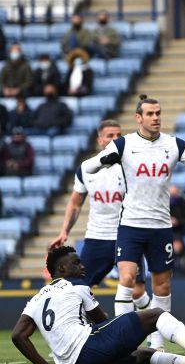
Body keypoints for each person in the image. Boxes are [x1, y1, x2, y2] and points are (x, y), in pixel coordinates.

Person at [84, 95, 185, 351]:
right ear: (138, 118)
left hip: (161, 227)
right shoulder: (123, 144)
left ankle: (157, 343)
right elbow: (88, 167)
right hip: (130, 224)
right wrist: (102, 160)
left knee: (162, 286)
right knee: (127, 278)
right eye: (150, 114)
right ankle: (122, 343)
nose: (156, 118)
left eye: (158, 113)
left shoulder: (174, 145)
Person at [11, 246, 185, 364]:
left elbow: (18, 335)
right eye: (76, 263)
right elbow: (101, 319)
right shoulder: (76, 285)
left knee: (145, 355)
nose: (83, 266)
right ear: (61, 268)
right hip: (91, 347)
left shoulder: (37, 298)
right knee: (156, 315)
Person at [49, 119, 149, 309]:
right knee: (79, 289)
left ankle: (154, 334)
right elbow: (75, 204)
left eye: (119, 135)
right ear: (100, 140)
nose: (115, 139)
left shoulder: (132, 166)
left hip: (127, 235)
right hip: (97, 238)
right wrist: (64, 232)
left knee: (136, 291)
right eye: (110, 136)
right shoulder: (87, 169)